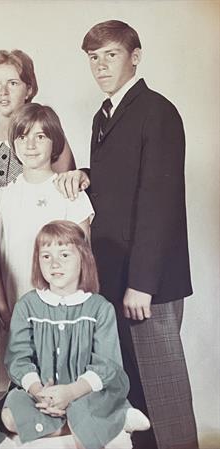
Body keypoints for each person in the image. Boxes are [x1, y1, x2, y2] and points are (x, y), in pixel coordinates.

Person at [55, 20, 198, 449]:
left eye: (111, 55)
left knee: (163, 393)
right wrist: (86, 174)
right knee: (133, 392)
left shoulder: (157, 111)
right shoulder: (105, 115)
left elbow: (158, 202)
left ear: (135, 57)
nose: (100, 65)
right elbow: (123, 181)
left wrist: (142, 284)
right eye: (93, 58)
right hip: (116, 276)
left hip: (147, 283)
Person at [2, 220, 150, 449]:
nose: (55, 263)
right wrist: (39, 392)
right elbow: (18, 358)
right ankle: (107, 423)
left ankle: (104, 419)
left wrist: (71, 392)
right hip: (43, 393)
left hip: (88, 392)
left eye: (64, 255)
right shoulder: (27, 306)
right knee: (8, 418)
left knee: (85, 412)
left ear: (83, 259)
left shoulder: (100, 308)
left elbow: (107, 365)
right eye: (46, 256)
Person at [0, 103, 94, 390]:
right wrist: (4, 310)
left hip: (63, 318)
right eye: (22, 137)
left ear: (54, 141)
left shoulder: (70, 194)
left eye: (40, 136)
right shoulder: (1, 198)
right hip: (16, 315)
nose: (30, 145)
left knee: (61, 389)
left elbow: (84, 263)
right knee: (23, 390)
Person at [0, 49, 76, 193]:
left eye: (13, 83)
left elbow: (66, 193)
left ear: (29, 89)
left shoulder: (48, 135)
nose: (3, 92)